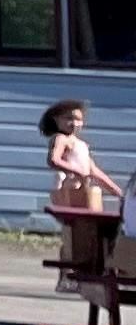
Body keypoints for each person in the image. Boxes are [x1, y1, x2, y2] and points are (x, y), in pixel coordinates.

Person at [50, 99, 123, 277]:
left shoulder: (81, 144)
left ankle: (88, 268)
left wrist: (117, 191)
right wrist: (76, 171)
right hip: (70, 192)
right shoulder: (61, 139)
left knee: (91, 230)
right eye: (68, 118)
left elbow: (93, 171)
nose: (74, 123)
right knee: (75, 231)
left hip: (85, 191)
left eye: (78, 119)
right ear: (57, 120)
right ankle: (71, 269)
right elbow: (54, 160)